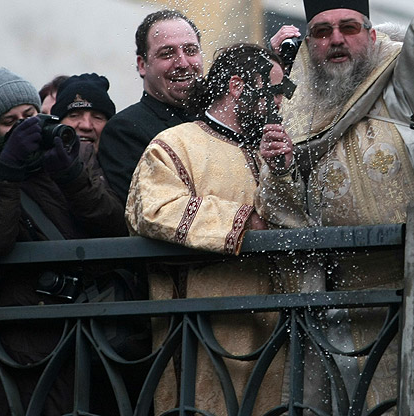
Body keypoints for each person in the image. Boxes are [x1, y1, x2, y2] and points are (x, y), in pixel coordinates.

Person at [255, 0, 414, 412]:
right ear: (308, 44)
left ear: (371, 35)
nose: (335, 40)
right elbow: (284, 211)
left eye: (348, 27)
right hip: (337, 302)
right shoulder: (293, 108)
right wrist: (281, 170)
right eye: (322, 31)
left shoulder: (401, 82)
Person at [126, 43, 294, 415]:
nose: (280, 105)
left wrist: (284, 174)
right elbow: (153, 210)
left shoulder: (266, 150)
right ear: (237, 86)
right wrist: (243, 221)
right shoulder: (175, 144)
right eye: (274, 92)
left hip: (270, 331)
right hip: (202, 334)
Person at [0, 67, 126, 415]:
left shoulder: (74, 154)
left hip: (93, 326)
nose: (23, 127)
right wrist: (8, 173)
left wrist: (71, 176)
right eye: (8, 122)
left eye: (29, 115)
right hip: (27, 338)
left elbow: (114, 223)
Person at [99, 9, 204, 205]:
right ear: (142, 65)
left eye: (190, 51)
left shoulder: (222, 118)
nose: (182, 63)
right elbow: (154, 210)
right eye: (167, 54)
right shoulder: (125, 131)